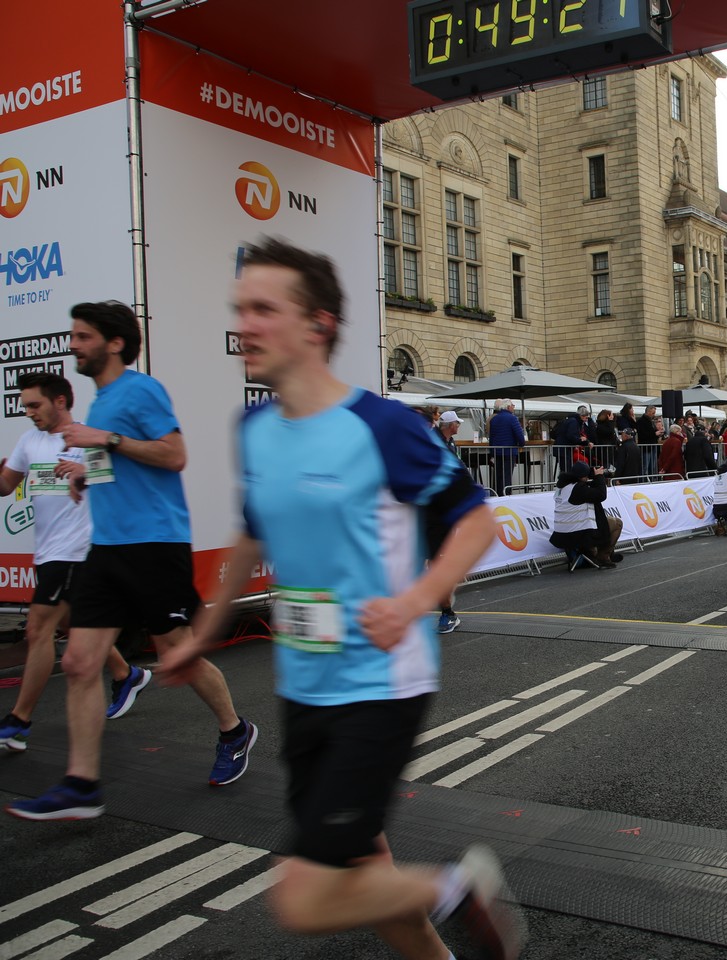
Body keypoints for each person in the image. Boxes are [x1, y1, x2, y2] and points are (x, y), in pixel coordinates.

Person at [169, 237, 523, 959]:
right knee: (366, 873)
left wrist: (416, 600)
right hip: (303, 685)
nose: (245, 325)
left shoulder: (383, 427)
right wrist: (202, 633)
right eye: (241, 309)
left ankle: (461, 887)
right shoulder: (255, 430)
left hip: (380, 683)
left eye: (263, 309)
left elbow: (477, 522)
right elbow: (250, 534)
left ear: (318, 325)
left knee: (304, 898)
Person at [7, 302, 255, 820]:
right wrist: (86, 472)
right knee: (79, 662)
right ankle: (81, 784)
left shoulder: (140, 390)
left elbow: (173, 455)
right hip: (105, 549)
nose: (73, 345)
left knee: (176, 652)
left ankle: (234, 730)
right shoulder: (100, 402)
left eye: (82, 336)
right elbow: (116, 461)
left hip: (154, 543)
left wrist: (105, 440)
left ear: (114, 343)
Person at [0, 373, 150, 754]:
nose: (28, 412)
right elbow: (5, 485)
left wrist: (84, 473)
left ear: (61, 402)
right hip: (47, 552)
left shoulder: (85, 437)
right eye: (25, 405)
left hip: (77, 551)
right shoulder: (28, 441)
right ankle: (125, 674)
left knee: (38, 628)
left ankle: (18, 722)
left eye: (34, 405)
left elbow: (113, 480)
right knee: (71, 623)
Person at [549, 460, 623, 567]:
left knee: (600, 523)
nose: (588, 478)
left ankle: (596, 554)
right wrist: (599, 476)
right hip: (577, 534)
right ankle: (603, 556)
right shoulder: (578, 489)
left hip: (560, 535)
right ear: (582, 476)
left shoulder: (563, 487)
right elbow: (601, 495)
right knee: (617, 523)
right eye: (586, 476)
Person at [486, 399, 525, 496]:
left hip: (497, 452)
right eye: (513, 405)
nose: (514, 407)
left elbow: (491, 437)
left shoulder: (494, 419)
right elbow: (519, 435)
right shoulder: (512, 418)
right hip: (509, 452)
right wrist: (521, 444)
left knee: (498, 476)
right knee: (507, 476)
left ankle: (497, 495)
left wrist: (492, 451)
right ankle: (506, 496)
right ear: (508, 407)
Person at [635, 404, 659, 477]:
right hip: (646, 447)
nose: (654, 415)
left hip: (652, 445)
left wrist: (658, 433)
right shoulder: (641, 421)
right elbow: (643, 434)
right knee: (645, 467)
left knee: (652, 466)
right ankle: (643, 480)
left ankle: (651, 479)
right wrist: (654, 434)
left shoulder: (651, 421)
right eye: (653, 413)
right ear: (648, 412)